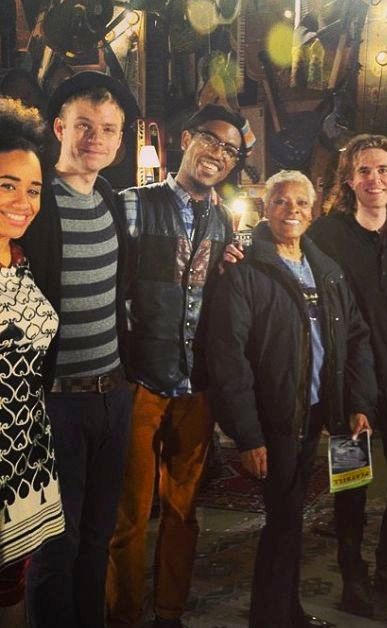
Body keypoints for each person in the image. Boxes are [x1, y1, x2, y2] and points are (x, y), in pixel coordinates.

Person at [198, 170, 377, 628]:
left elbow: (355, 336)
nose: (291, 210)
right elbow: (228, 358)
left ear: (313, 211)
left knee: (293, 516)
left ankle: (287, 611)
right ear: (266, 208)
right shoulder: (245, 271)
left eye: (301, 202)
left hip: (320, 412)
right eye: (281, 201)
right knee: (282, 519)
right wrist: (247, 434)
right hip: (275, 416)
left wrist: (359, 402)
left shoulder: (327, 270)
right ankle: (271, 616)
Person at [106, 104, 255, 628]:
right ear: (187, 138)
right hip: (139, 380)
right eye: (211, 140)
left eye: (231, 150)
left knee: (183, 511)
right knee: (129, 513)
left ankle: (169, 612)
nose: (218, 154)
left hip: (196, 385)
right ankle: (122, 615)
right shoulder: (133, 203)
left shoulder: (227, 219)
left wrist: (231, 272)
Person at [18, 71, 139, 628]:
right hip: (54, 401)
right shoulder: (34, 202)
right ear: (59, 128)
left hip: (112, 396)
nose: (96, 138)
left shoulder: (111, 199)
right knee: (55, 547)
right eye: (85, 125)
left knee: (98, 536)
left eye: (109, 129)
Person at [308, 134, 387, 618]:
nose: (374, 179)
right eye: (363, 171)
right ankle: (353, 578)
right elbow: (288, 257)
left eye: (382, 170)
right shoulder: (326, 234)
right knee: (351, 484)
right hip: (350, 381)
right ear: (349, 180)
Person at [0, 97, 65, 624]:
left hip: (25, 459)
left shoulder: (19, 259)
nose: (23, 202)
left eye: (34, 189)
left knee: (13, 593)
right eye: (7, 185)